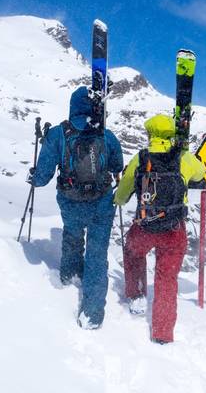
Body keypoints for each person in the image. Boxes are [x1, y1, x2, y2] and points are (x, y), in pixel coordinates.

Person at [30, 86, 123, 329]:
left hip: (71, 201)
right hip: (101, 203)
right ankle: (92, 313)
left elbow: (43, 177)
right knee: (96, 253)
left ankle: (69, 278)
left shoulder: (59, 134)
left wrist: (34, 176)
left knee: (72, 237)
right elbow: (117, 165)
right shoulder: (106, 134)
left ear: (72, 106)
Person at [114, 114, 205, 344]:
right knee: (166, 279)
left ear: (150, 134)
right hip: (174, 230)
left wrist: (119, 199)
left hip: (145, 226)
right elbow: (201, 173)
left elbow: (123, 194)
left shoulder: (140, 158)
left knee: (133, 252)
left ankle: (136, 296)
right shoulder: (183, 157)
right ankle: (163, 333)